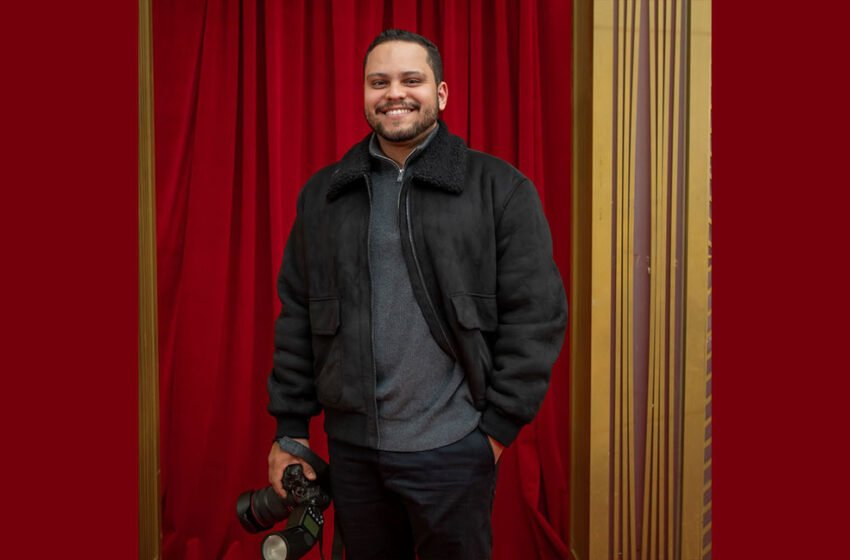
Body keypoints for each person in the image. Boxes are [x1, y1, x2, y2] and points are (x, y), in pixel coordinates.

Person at [266, 29, 567, 560]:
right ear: (364, 93)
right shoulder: (324, 196)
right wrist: (291, 432)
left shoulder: (500, 189)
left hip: (454, 450)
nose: (394, 93)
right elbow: (297, 317)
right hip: (354, 454)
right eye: (378, 82)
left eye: (412, 79)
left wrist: (493, 433)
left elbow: (537, 316)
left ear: (441, 93)